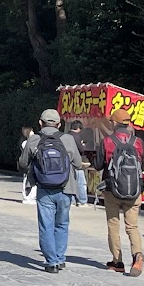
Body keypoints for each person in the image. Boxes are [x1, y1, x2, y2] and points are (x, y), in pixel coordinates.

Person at [18, 109, 84, 273]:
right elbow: (77, 163)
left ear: (40, 123)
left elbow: (23, 163)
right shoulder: (68, 139)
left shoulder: (34, 139)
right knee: (62, 223)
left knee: (46, 225)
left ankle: (51, 261)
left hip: (44, 188)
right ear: (59, 124)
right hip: (66, 188)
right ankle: (60, 258)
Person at [94, 108, 144, 276]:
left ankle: (117, 262)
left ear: (114, 123)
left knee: (113, 226)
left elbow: (98, 164)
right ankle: (137, 254)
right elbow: (143, 166)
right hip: (134, 190)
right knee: (132, 226)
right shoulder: (138, 142)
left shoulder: (107, 141)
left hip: (112, 190)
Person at [68, 120, 89, 206]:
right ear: (78, 128)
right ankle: (82, 200)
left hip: (68, 162)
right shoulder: (76, 136)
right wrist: (83, 145)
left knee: (71, 182)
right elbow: (81, 149)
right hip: (77, 161)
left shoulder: (66, 135)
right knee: (81, 182)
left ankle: (72, 200)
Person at [20, 126, 37, 204]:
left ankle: (29, 197)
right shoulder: (26, 143)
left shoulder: (28, 142)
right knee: (28, 180)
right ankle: (28, 197)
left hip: (29, 164)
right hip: (28, 164)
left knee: (30, 180)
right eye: (31, 131)